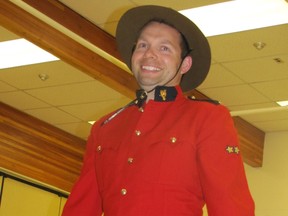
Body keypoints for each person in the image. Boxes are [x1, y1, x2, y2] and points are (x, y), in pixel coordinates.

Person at [62, 5, 254, 216]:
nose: (149, 54)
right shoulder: (105, 127)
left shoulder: (207, 118)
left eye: (164, 48)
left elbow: (231, 207)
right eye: (143, 45)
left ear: (185, 64)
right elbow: (81, 208)